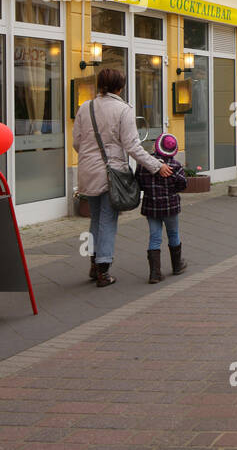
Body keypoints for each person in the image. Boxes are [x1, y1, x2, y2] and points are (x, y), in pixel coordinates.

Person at [73, 67, 170, 287]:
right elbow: (132, 147)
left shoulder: (84, 107)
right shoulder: (123, 110)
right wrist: (157, 166)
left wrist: (91, 159)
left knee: (95, 218)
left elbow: (77, 142)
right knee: (108, 220)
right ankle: (104, 270)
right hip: (111, 173)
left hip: (87, 171)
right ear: (120, 87)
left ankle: (94, 264)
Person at [136, 133, 188, 283]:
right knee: (173, 234)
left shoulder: (144, 165)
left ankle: (155, 273)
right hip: (170, 207)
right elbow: (183, 184)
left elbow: (138, 183)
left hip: (151, 207)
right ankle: (177, 266)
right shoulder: (176, 166)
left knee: (155, 237)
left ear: (156, 147)